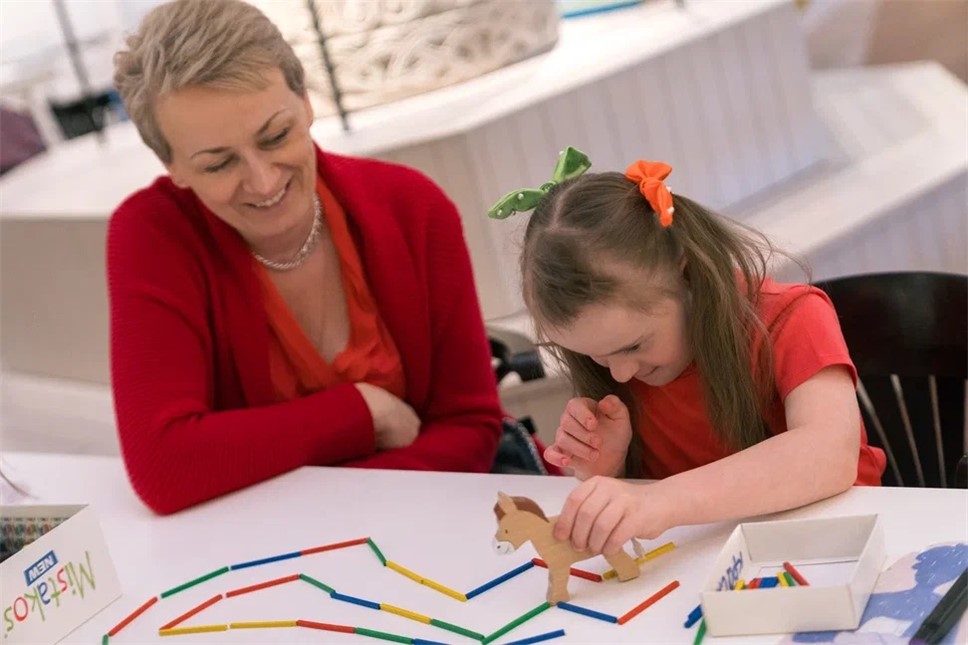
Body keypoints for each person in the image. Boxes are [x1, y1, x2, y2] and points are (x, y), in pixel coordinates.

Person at [107, 0, 504, 515]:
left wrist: (322, 501)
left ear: (307, 102)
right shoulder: (153, 234)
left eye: (276, 136)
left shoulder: (412, 207)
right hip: (284, 547)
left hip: (427, 521)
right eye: (218, 164)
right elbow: (164, 465)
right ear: (173, 167)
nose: (262, 181)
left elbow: (472, 428)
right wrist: (364, 412)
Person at [488, 146, 886, 556]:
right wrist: (611, 469)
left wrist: (658, 501)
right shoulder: (623, 358)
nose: (620, 373)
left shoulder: (793, 318)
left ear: (685, 271)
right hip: (711, 561)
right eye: (597, 357)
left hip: (840, 547)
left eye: (634, 345)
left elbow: (827, 456)